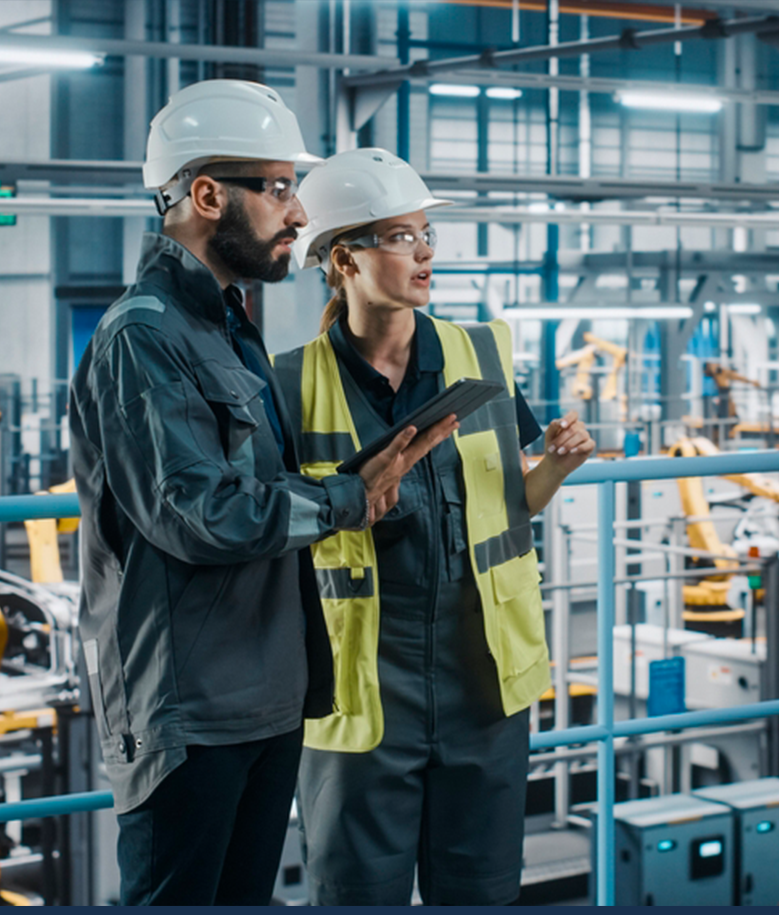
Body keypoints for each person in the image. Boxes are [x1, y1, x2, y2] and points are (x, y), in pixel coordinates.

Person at [68, 85, 456, 906]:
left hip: (264, 693)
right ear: (207, 195)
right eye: (278, 188)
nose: (296, 212)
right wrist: (349, 496)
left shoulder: (229, 326)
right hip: (189, 707)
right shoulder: (143, 335)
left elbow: (251, 489)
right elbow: (196, 513)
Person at [273, 147, 596, 906]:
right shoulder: (287, 384)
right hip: (358, 691)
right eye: (398, 237)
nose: (422, 253)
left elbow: (513, 501)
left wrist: (555, 464)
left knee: (479, 890)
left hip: (482, 681)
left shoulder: (479, 352)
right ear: (342, 259)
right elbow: (271, 525)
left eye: (425, 236)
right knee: (355, 891)